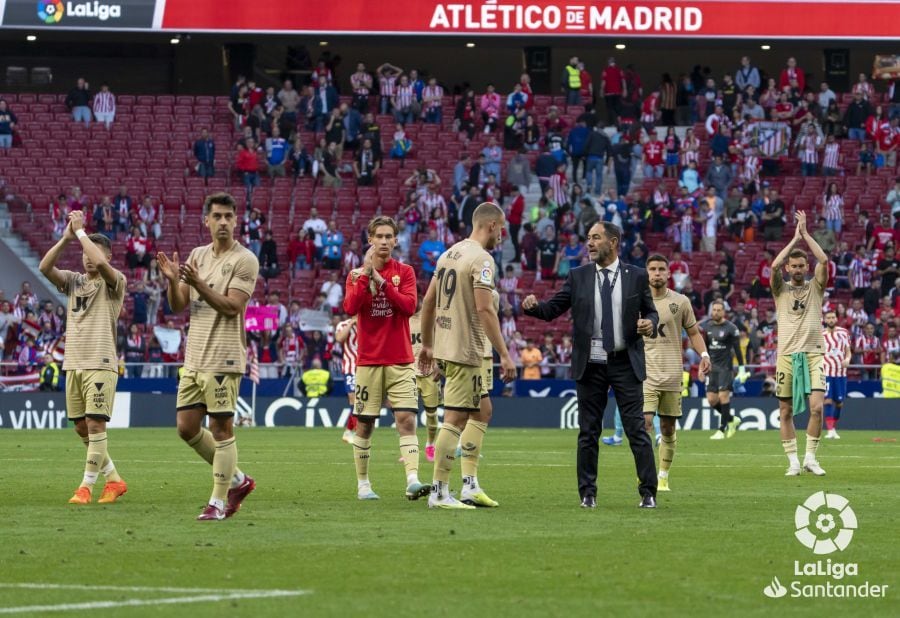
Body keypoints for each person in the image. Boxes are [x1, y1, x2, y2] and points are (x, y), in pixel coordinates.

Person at [522, 222, 659, 508]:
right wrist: (535, 307)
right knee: (588, 432)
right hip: (591, 364)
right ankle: (588, 493)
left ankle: (648, 493)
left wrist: (650, 323)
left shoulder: (636, 276)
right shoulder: (578, 276)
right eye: (588, 239)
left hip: (625, 362)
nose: (590, 243)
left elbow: (651, 312)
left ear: (614, 242)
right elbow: (552, 309)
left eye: (596, 238)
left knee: (636, 429)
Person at [158, 192, 259, 520]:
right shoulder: (197, 255)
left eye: (229, 216)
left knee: (220, 428)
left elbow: (232, 307)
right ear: (207, 221)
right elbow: (177, 305)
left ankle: (217, 502)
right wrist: (174, 282)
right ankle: (239, 480)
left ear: (236, 220)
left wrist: (198, 284)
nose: (224, 222)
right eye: (217, 216)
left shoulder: (245, 260)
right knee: (186, 428)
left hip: (224, 357)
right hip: (195, 357)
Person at [418, 202, 517, 509]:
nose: (502, 234)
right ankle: (439, 492)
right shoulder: (482, 259)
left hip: (448, 345)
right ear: (490, 226)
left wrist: (429, 345)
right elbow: (485, 308)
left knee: (482, 410)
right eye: (501, 227)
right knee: (456, 417)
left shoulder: (450, 253)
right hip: (465, 349)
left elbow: (428, 301)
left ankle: (469, 485)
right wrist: (504, 353)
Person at [38, 209, 128, 505]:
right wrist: (66, 238)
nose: (88, 257)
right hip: (73, 363)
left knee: (95, 424)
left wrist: (80, 233)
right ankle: (114, 480)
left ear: (108, 257)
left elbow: (100, 263)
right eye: (85, 252)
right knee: (80, 426)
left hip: (101, 363)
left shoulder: (115, 283)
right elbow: (44, 267)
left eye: (95, 252)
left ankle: (86, 487)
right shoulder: (73, 281)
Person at [343, 216, 428, 502]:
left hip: (401, 359)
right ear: (370, 240)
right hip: (368, 360)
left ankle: (413, 480)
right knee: (365, 423)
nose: (383, 241)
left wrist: (381, 282)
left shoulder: (404, 272)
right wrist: (367, 275)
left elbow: (409, 306)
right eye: (378, 236)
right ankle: (363, 484)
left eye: (388, 236)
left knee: (406, 419)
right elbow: (351, 306)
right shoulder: (355, 275)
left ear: (395, 240)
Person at [641, 255, 710, 491]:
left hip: (672, 374)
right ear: (646, 272)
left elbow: (693, 333)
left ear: (668, 273)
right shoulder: (635, 300)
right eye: (653, 269)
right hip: (645, 374)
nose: (657, 273)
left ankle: (663, 475)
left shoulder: (680, 302)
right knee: (644, 424)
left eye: (661, 269)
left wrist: (704, 356)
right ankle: (646, 476)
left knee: (668, 428)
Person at [770, 211, 829, 476]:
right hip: (786, 355)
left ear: (806, 268)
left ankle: (810, 458)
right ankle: (792, 461)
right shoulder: (779, 289)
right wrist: (794, 240)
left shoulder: (816, 287)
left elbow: (824, 259)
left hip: (814, 353)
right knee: (785, 411)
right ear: (788, 269)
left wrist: (805, 235)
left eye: (800, 266)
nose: (796, 269)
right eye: (792, 266)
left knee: (817, 407)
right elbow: (773, 267)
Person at [702, 300, 744, 439]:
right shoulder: (707, 326)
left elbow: (738, 350)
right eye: (714, 310)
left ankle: (721, 429)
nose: (716, 312)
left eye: (719, 310)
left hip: (725, 368)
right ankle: (732, 420)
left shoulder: (731, 328)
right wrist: (702, 367)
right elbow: (705, 349)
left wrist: (742, 368)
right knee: (712, 400)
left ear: (724, 312)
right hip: (712, 368)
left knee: (723, 396)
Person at [409, 304, 441, 463]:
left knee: (432, 414)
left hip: (429, 372)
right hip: (408, 372)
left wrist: (439, 363)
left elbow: (442, 340)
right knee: (407, 414)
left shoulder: (430, 316)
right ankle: (410, 448)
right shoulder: (403, 317)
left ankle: (430, 444)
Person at [822, 310, 852, 440]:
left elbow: (848, 352)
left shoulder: (844, 333)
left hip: (840, 372)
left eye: (833, 317)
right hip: (826, 371)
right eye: (828, 318)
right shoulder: (821, 335)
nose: (831, 320)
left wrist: (847, 360)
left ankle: (833, 427)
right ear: (825, 319)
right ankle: (830, 430)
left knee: (839, 403)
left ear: (836, 318)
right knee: (827, 400)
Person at [334, 316, 360, 444]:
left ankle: (349, 431)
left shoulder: (369, 322)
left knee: (361, 402)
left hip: (366, 367)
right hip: (350, 367)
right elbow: (339, 338)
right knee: (353, 398)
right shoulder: (343, 324)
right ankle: (355, 432)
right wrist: (351, 324)